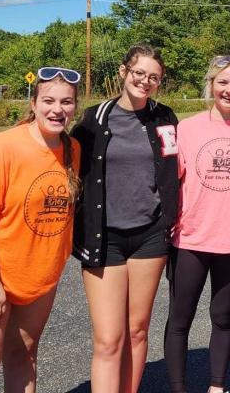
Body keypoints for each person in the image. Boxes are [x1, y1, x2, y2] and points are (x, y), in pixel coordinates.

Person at [0, 66, 82, 393]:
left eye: (66, 102)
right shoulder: (3, 147)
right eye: (48, 101)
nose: (57, 109)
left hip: (37, 276)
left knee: (23, 355)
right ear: (33, 103)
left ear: (75, 107)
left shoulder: (74, 150)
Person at [71, 45, 180, 393]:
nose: (145, 81)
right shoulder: (94, 118)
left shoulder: (165, 118)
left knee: (136, 330)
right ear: (123, 71)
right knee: (108, 339)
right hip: (105, 238)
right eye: (139, 73)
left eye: (153, 77)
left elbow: (177, 170)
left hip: (150, 236)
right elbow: (67, 166)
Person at [164, 55, 230, 393]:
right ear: (211, 85)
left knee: (222, 317)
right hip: (190, 239)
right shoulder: (187, 129)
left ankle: (217, 386)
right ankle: (178, 388)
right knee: (180, 319)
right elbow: (171, 179)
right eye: (223, 82)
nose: (229, 89)